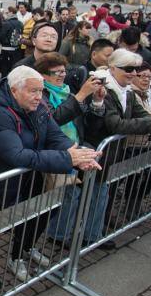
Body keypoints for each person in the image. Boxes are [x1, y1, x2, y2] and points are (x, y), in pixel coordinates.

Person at [0, 66, 102, 289]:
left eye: (40, 91)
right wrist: (69, 159)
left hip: (14, 184)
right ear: (14, 90)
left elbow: (53, 134)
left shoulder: (36, 106)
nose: (39, 97)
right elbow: (17, 155)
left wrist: (75, 152)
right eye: (33, 91)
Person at [32, 53, 111, 247]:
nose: (61, 75)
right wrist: (81, 95)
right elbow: (52, 119)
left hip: (76, 146)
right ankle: (58, 235)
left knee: (93, 189)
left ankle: (82, 233)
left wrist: (97, 102)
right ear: (43, 75)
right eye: (55, 72)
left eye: (63, 71)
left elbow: (89, 125)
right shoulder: (41, 94)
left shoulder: (67, 92)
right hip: (56, 151)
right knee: (69, 195)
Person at [83, 49, 151, 149]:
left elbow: (140, 112)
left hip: (116, 151)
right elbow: (116, 125)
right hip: (98, 151)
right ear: (113, 68)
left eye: (136, 69)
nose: (134, 73)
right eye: (129, 69)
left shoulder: (128, 91)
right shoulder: (101, 88)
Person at [0, 6, 24, 78]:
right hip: (16, 48)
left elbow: (1, 35)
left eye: (7, 12)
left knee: (4, 66)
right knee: (14, 66)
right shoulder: (20, 23)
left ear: (11, 13)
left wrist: (3, 42)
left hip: (6, 48)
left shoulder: (6, 23)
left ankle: (4, 81)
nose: (6, 14)